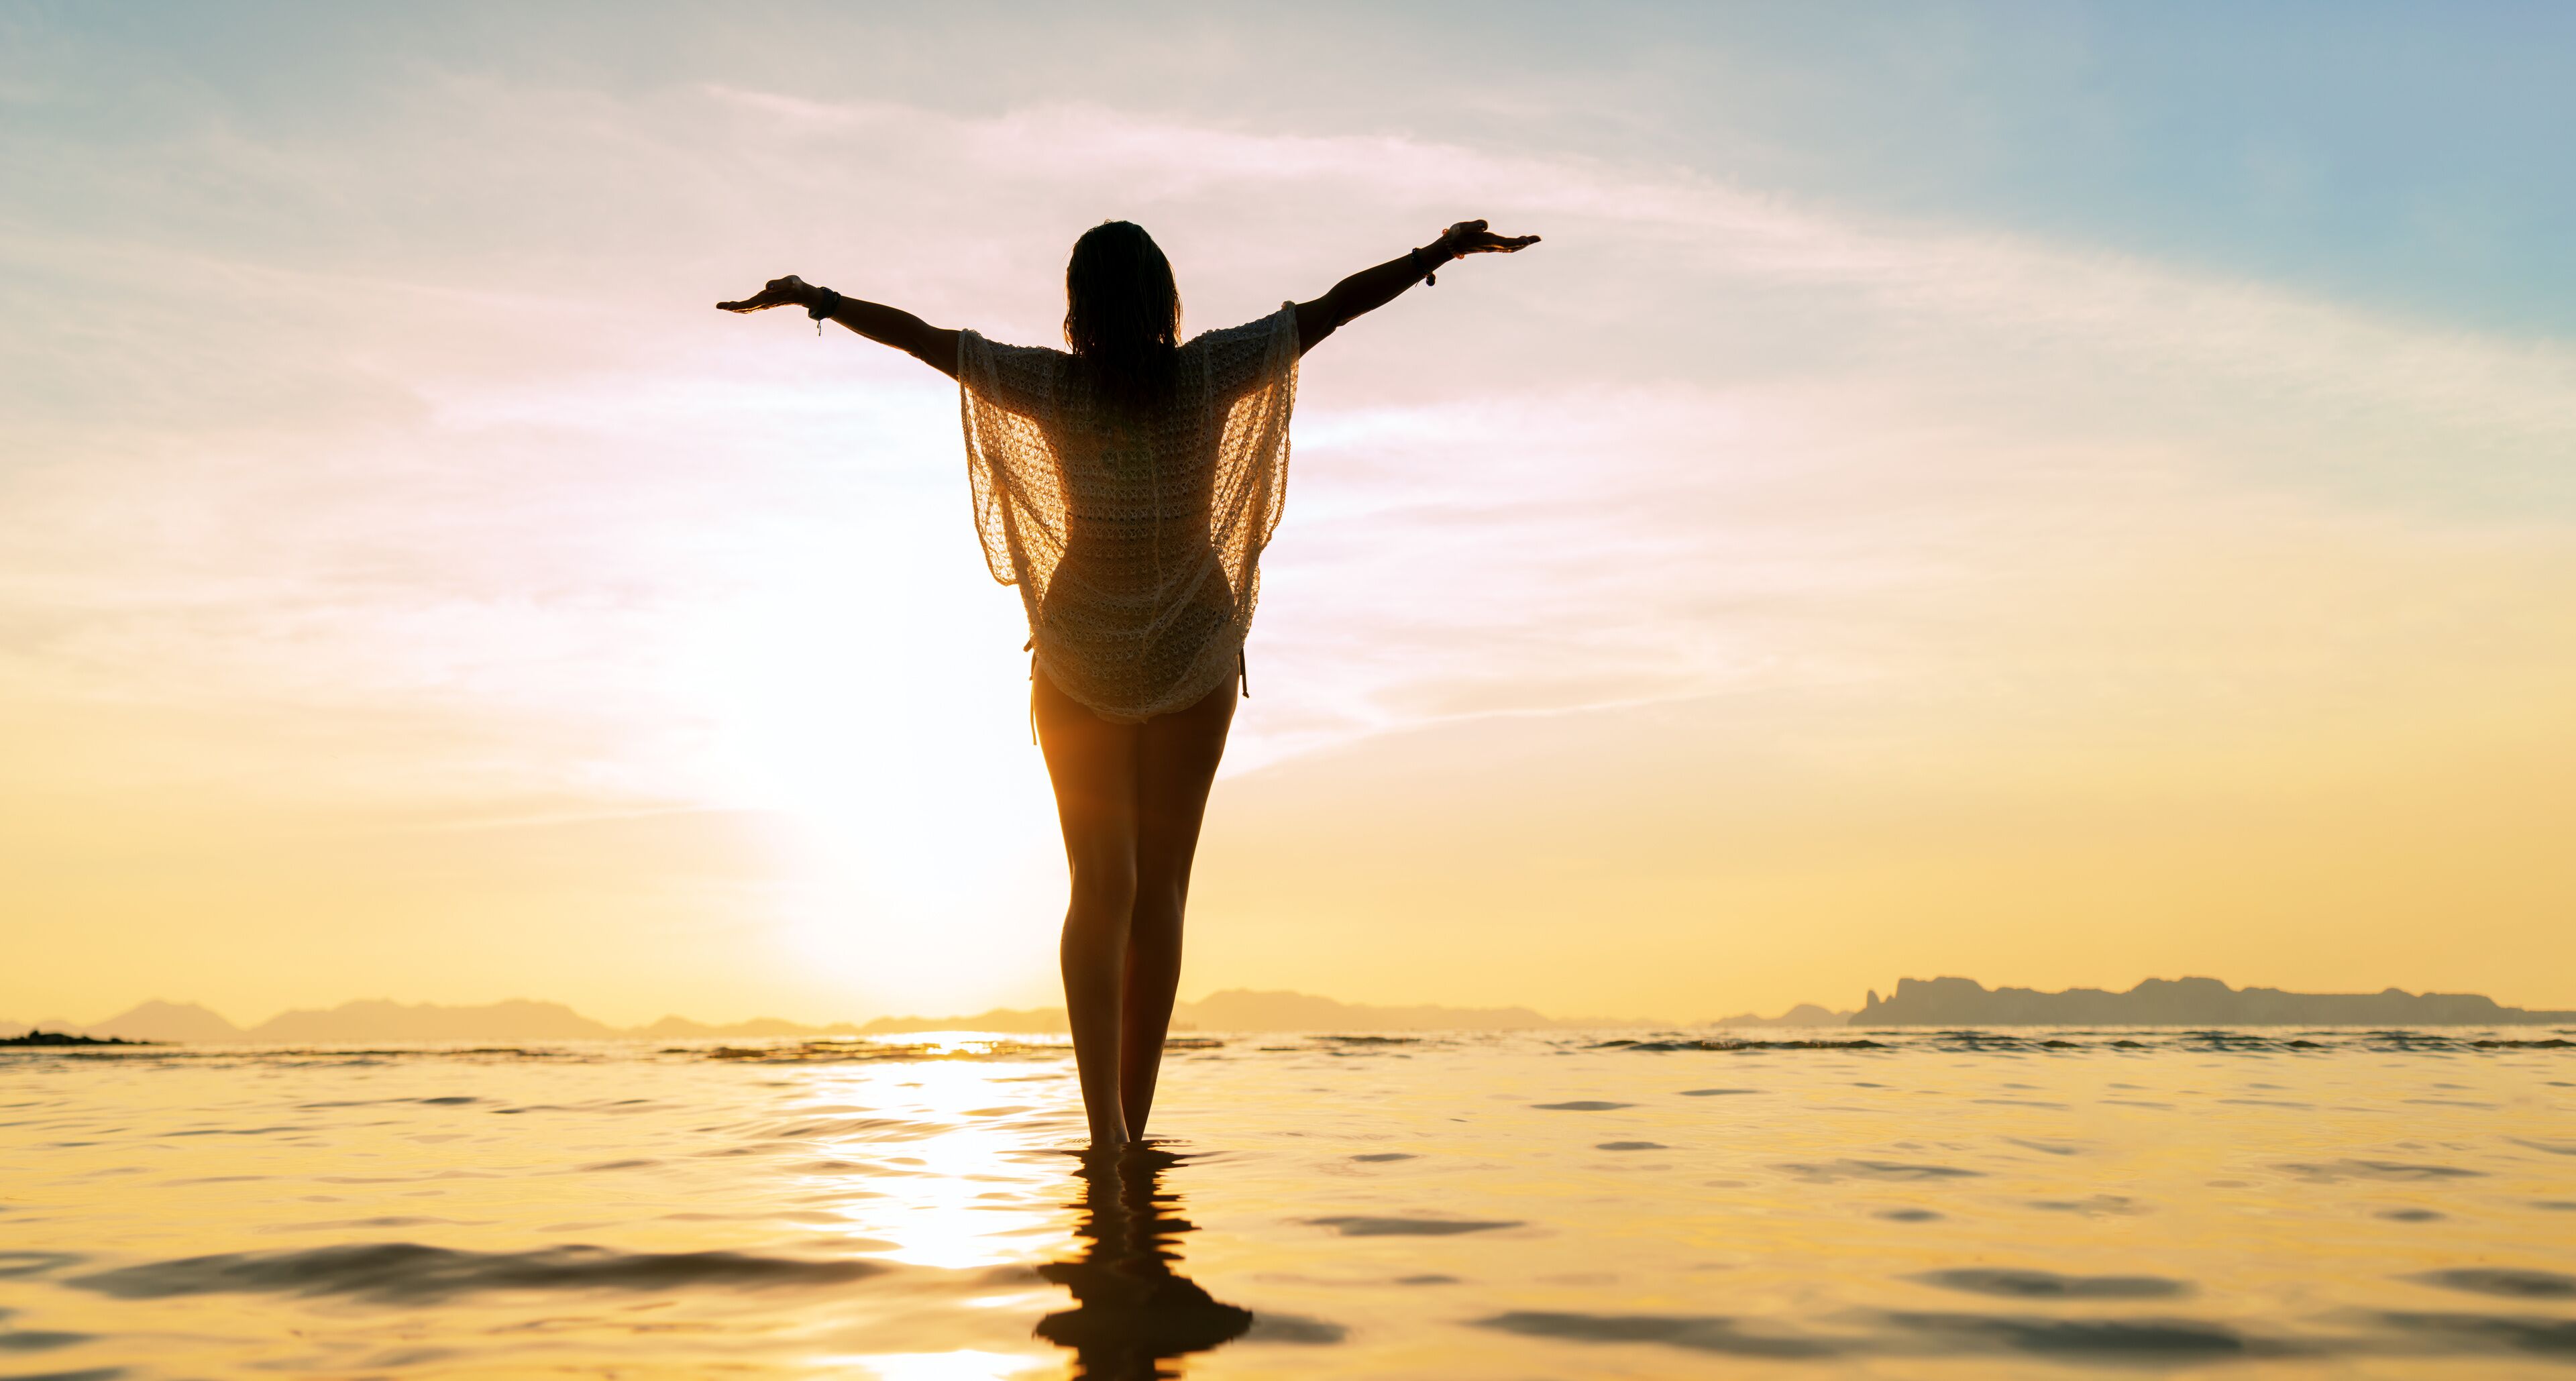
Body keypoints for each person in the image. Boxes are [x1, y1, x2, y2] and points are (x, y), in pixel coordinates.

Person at [718, 218, 1540, 1152]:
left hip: (1082, 655)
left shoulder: (1054, 383)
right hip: (1188, 650)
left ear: (1079, 305)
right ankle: (1130, 1130)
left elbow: (921, 339)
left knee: (1100, 890)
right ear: (1165, 299)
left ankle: (1107, 1134)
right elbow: (1335, 310)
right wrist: (1436, 255)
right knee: (1161, 895)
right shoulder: (1209, 372)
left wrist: (817, 300)